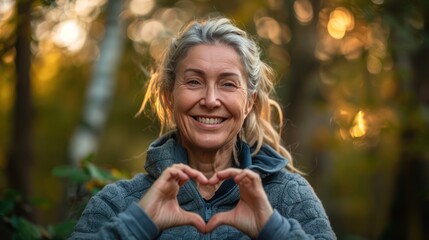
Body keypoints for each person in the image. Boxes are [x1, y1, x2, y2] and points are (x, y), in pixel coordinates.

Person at [70, 17, 336, 239]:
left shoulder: (290, 197)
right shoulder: (118, 203)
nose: (210, 100)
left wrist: (274, 230)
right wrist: (137, 225)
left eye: (228, 84)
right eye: (194, 82)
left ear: (249, 103)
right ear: (169, 97)